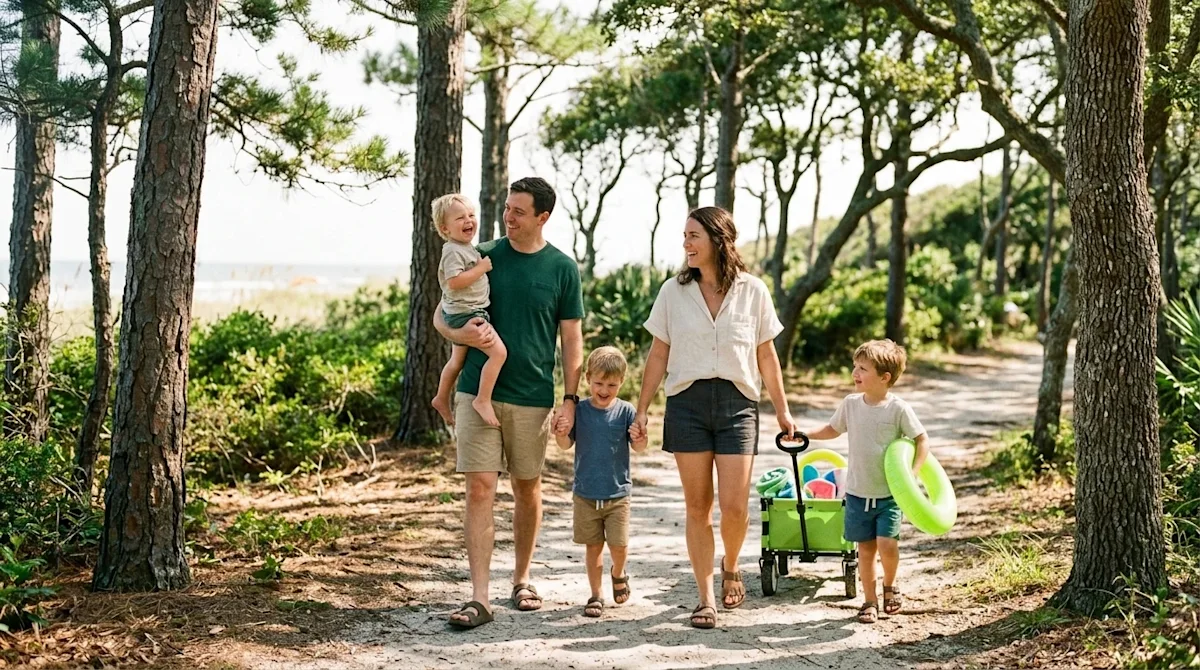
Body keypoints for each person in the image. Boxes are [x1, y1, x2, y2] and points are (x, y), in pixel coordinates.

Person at [630, 206, 797, 630]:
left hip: (738, 403)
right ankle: (706, 598)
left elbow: (766, 354)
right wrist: (643, 407)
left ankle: (732, 563)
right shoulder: (673, 291)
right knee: (698, 505)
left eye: (693, 236)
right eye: (684, 236)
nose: (685, 243)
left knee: (736, 506)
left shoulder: (753, 290)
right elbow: (659, 353)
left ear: (717, 240)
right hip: (687, 401)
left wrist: (782, 409)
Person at [438, 177, 585, 629]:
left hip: (532, 396)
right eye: (506, 208)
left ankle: (521, 579)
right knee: (480, 487)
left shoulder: (562, 267)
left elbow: (572, 340)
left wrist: (571, 400)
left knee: (526, 487)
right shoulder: (482, 255)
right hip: (476, 391)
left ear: (543, 217)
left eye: (519, 211)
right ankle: (479, 598)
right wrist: (460, 335)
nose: (507, 217)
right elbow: (443, 314)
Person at [804, 339, 930, 624]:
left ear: (884, 377)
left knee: (887, 544)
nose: (855, 373)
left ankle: (891, 586)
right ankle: (869, 601)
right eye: (855, 366)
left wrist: (914, 473)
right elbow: (831, 429)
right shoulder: (850, 404)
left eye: (862, 368)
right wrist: (805, 434)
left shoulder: (898, 409)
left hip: (888, 495)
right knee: (865, 550)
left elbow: (921, 440)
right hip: (858, 493)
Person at [554, 346, 647, 618]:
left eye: (612, 384)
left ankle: (618, 573)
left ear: (622, 383)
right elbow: (564, 444)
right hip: (585, 493)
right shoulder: (580, 411)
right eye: (598, 383)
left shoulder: (626, 411)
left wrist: (640, 439)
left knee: (619, 545)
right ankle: (596, 595)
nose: (604, 390)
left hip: (617, 495)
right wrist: (559, 431)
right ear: (587, 379)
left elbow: (639, 447)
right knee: (593, 547)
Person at [429, 194, 507, 428]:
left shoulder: (465, 248)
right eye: (460, 218)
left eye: (471, 215)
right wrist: (481, 268)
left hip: (461, 311)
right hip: (469, 314)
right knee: (499, 353)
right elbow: (454, 282)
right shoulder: (453, 251)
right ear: (445, 228)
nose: (468, 220)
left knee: (456, 360)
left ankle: (441, 397)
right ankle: (483, 400)